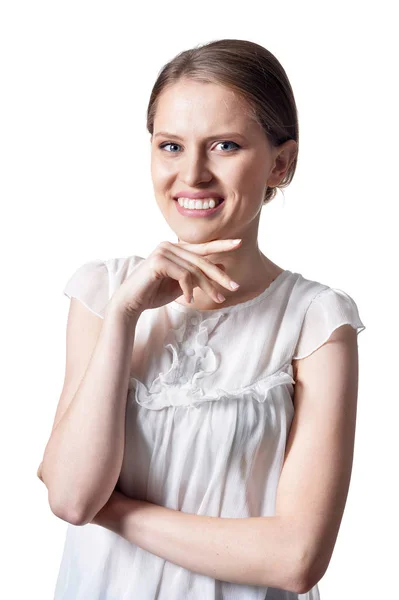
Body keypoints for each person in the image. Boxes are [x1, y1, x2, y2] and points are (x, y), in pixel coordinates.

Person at [38, 39, 366, 599]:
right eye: (170, 146)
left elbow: (297, 558)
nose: (192, 174)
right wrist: (124, 316)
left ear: (280, 164)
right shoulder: (101, 294)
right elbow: (71, 497)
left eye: (224, 146)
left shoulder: (316, 322)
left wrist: (112, 510)